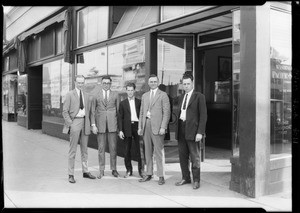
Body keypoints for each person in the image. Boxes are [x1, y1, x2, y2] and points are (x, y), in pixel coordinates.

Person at [174, 73, 207, 190]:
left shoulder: (199, 96)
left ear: (192, 83)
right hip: (181, 129)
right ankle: (185, 177)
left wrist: (200, 132)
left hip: (193, 130)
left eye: (188, 84)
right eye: (184, 84)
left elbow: (203, 116)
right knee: (183, 156)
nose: (186, 86)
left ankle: (196, 180)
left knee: (195, 157)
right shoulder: (181, 97)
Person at [62, 75, 96, 183]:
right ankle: (70, 174)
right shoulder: (69, 94)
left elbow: (90, 112)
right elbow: (65, 111)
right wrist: (70, 124)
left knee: (84, 150)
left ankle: (85, 171)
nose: (80, 84)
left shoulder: (87, 95)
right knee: (73, 150)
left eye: (82, 83)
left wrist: (92, 124)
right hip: (75, 121)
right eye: (79, 82)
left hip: (85, 122)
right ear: (75, 82)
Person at [138, 74, 170, 185]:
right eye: (150, 81)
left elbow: (166, 113)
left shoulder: (163, 95)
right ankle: (149, 173)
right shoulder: (145, 96)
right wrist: (140, 127)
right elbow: (141, 112)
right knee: (147, 151)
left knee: (158, 152)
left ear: (158, 82)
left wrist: (163, 127)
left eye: (154, 81)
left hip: (158, 127)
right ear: (148, 83)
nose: (152, 83)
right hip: (146, 124)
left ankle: (161, 175)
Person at [91, 76, 120, 179]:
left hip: (113, 126)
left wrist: (119, 128)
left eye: (108, 83)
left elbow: (118, 111)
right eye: (104, 83)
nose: (106, 85)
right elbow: (93, 111)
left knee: (113, 148)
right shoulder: (96, 95)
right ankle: (101, 170)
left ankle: (114, 169)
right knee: (101, 148)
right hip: (100, 126)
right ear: (101, 83)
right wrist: (93, 125)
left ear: (111, 83)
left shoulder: (116, 95)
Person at [118, 82, 144, 178]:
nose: (130, 92)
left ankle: (141, 171)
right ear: (126, 91)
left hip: (137, 127)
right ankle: (129, 170)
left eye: (131, 90)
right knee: (127, 150)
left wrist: (141, 127)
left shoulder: (139, 102)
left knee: (139, 150)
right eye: (128, 90)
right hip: (127, 127)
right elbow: (120, 118)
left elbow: (142, 115)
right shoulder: (122, 103)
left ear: (134, 91)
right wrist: (120, 130)